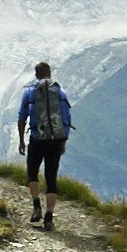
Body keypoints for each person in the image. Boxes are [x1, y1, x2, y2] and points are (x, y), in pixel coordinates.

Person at [13, 60, 73, 229]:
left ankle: (37, 207)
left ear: (36, 74)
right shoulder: (60, 92)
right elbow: (67, 119)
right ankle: (49, 218)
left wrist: (21, 141)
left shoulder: (30, 92)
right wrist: (63, 141)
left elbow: (21, 117)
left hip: (37, 139)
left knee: (32, 172)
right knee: (51, 177)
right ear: (50, 73)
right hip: (55, 140)